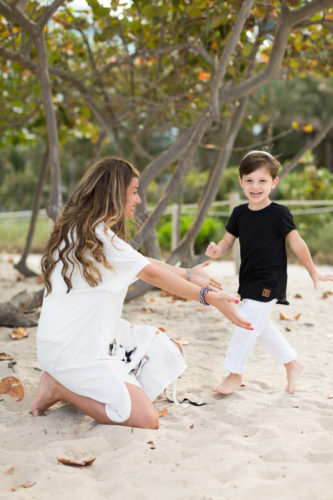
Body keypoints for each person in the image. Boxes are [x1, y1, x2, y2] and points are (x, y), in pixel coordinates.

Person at [31, 157, 253, 430]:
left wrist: (188, 274)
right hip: (75, 347)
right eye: (134, 192)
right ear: (114, 194)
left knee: (170, 351)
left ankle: (94, 387)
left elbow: (139, 263)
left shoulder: (85, 230)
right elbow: (150, 273)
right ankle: (59, 388)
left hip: (83, 336)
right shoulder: (98, 237)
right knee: (146, 419)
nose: (138, 200)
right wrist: (209, 297)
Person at [206, 150, 333, 396]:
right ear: (241, 181)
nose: (256, 186)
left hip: (270, 280)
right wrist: (216, 250)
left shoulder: (279, 213)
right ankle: (292, 363)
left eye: (262, 181)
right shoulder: (239, 213)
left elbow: (297, 243)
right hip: (249, 279)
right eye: (250, 180)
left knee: (245, 322)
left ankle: (234, 373)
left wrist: (314, 273)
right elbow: (227, 242)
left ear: (274, 183)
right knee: (259, 326)